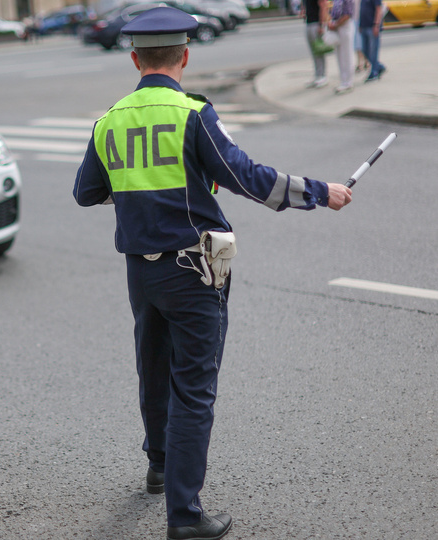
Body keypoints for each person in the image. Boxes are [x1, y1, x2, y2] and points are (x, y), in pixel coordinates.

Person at [72, 7, 353, 539]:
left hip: (141, 273)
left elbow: (86, 192)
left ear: (134, 59)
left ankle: (158, 466)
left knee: (153, 371)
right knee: (194, 389)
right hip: (192, 270)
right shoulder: (191, 115)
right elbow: (247, 177)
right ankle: (185, 515)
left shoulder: (109, 120)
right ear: (184, 56)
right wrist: (321, 192)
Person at [328, 0, 356, 93]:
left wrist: (336, 24)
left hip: (345, 27)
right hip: (337, 27)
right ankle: (343, 80)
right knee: (339, 55)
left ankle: (348, 82)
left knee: (346, 55)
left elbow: (348, 14)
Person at [302, 0, 328, 88]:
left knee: (319, 51)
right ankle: (317, 75)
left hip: (316, 23)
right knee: (314, 52)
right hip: (309, 22)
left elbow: (323, 5)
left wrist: (321, 24)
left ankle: (322, 75)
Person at [359, 0, 386, 82]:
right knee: (364, 49)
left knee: (373, 50)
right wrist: (360, 24)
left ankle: (374, 72)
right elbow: (362, 10)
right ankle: (379, 66)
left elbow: (378, 9)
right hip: (364, 26)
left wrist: (376, 24)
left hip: (372, 26)